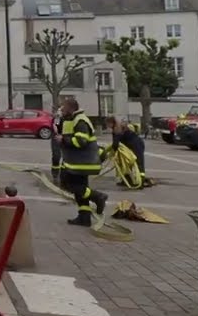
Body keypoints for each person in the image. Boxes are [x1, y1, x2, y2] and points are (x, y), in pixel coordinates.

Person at [59, 97, 107, 226]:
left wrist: (63, 140)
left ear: (70, 108)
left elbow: (81, 141)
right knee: (80, 189)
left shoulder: (80, 121)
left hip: (81, 163)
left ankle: (98, 196)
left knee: (70, 186)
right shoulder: (73, 119)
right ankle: (84, 217)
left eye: (63, 107)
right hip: (76, 162)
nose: (61, 110)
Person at [105, 116, 152, 187]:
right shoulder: (117, 128)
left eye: (107, 124)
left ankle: (140, 182)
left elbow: (115, 143)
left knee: (138, 163)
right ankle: (127, 180)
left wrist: (112, 152)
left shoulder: (117, 129)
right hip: (130, 145)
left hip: (136, 145)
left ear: (111, 123)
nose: (107, 126)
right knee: (126, 163)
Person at [49, 107, 64, 185]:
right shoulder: (57, 117)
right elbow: (55, 127)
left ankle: (65, 174)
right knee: (56, 155)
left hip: (65, 137)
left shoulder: (70, 117)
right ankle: (55, 173)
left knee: (66, 157)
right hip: (57, 137)